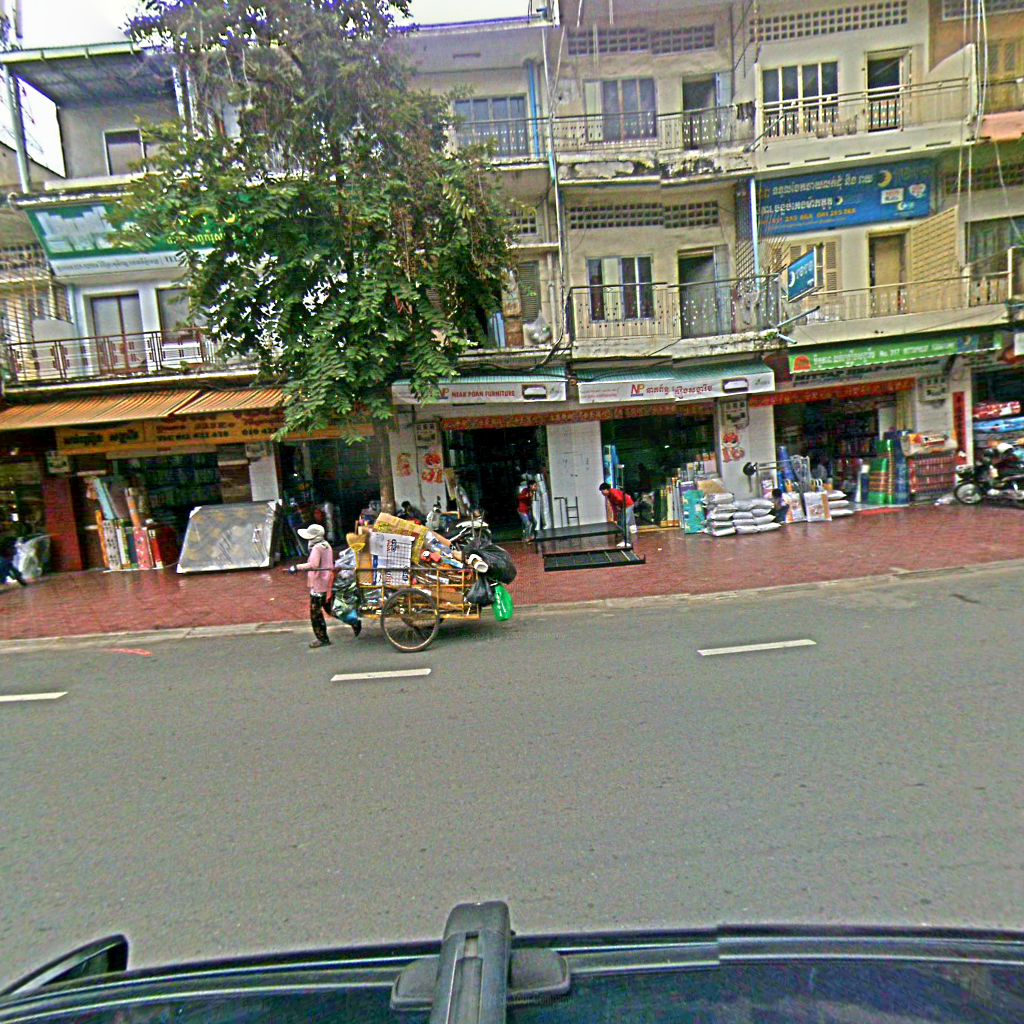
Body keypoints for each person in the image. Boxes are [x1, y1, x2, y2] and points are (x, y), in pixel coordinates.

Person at [286, 523, 335, 649]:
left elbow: (313, 565)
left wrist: (296, 567)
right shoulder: (326, 545)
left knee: (315, 614)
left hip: (318, 584)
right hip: (326, 582)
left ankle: (322, 638)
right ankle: (353, 621)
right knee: (329, 609)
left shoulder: (317, 548)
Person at [598, 482, 637, 549]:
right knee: (623, 522)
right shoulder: (609, 496)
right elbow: (613, 507)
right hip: (624, 506)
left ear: (606, 489)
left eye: (602, 491)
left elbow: (620, 499)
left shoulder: (613, 492)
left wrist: (620, 508)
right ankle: (627, 537)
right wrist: (615, 518)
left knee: (625, 523)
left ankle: (627, 541)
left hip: (628, 505)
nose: (602, 493)